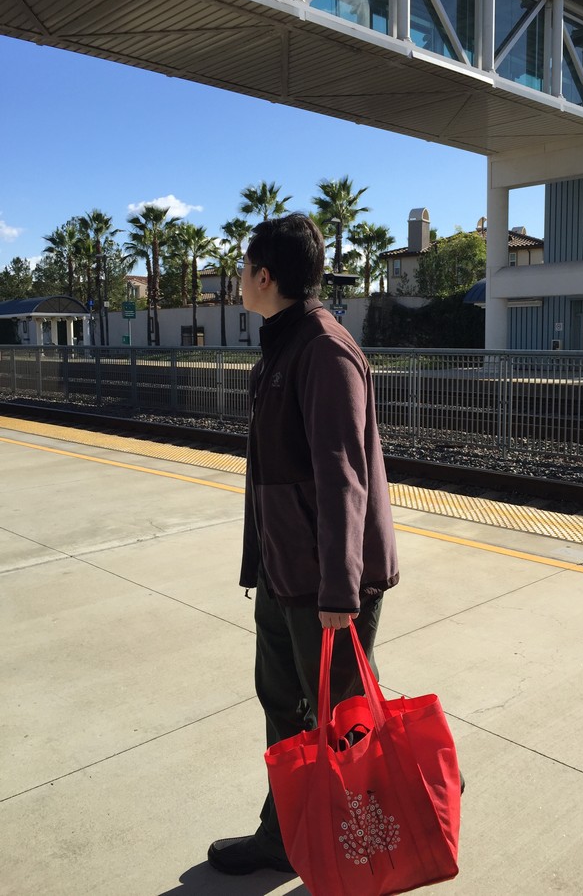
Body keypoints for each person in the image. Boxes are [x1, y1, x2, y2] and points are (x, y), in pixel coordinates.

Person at [208, 213, 399, 876]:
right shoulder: (282, 348)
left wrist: (340, 592)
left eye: (242, 269)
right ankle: (285, 836)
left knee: (343, 721)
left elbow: (343, 478)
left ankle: (370, 838)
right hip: (285, 572)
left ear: (265, 276)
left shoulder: (323, 349)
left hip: (327, 585)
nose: (238, 280)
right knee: (283, 706)